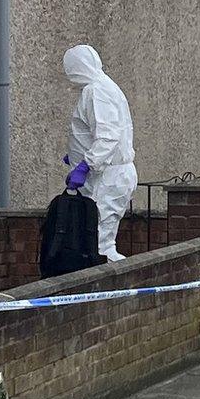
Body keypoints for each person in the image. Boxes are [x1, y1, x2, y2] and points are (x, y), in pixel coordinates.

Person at [61, 44, 138, 262]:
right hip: (108, 174)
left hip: (108, 177)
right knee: (96, 238)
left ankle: (108, 288)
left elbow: (108, 136)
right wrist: (76, 155)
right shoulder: (104, 87)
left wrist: (86, 164)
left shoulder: (96, 91)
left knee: (101, 245)